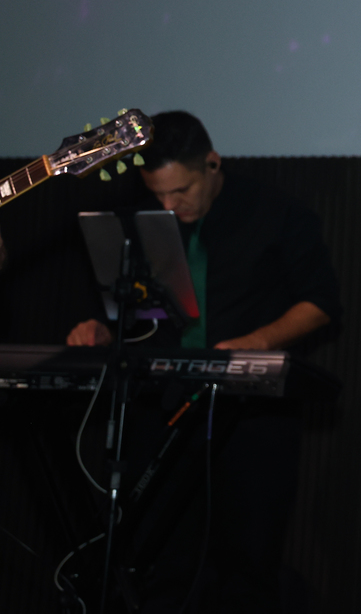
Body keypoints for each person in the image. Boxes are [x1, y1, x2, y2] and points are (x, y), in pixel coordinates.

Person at [67, 110, 341, 613]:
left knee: (249, 568)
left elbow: (322, 302)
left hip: (252, 420)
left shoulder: (276, 212)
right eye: (158, 195)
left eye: (181, 191)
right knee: (162, 565)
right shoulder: (141, 222)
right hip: (164, 411)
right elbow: (139, 316)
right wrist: (104, 330)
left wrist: (258, 340)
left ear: (212, 164)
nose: (170, 206)